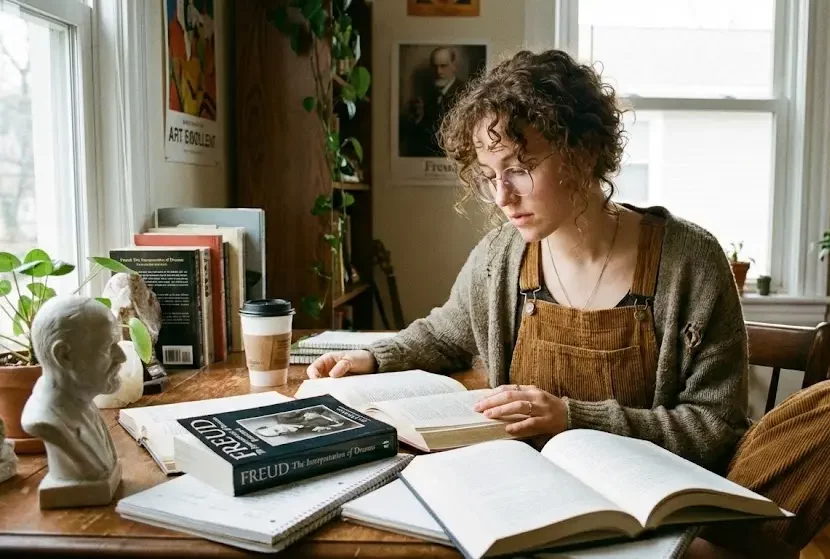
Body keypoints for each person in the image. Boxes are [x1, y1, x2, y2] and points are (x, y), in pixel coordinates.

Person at [307, 49, 830, 558]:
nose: (502, 197)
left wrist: (572, 417)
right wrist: (375, 357)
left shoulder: (690, 261)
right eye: (490, 177)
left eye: (518, 167)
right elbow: (447, 332)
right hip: (521, 506)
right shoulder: (500, 257)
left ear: (582, 151)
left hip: (653, 518)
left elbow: (714, 427)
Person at [22, 296, 125, 505]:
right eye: (108, 347)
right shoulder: (44, 420)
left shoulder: (83, 400)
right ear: (64, 356)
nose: (122, 357)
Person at [400, 46, 465, 157]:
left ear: (454, 66)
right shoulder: (426, 93)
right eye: (434, 67)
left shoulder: (466, 93)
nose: (439, 71)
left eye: (443, 66)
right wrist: (417, 120)